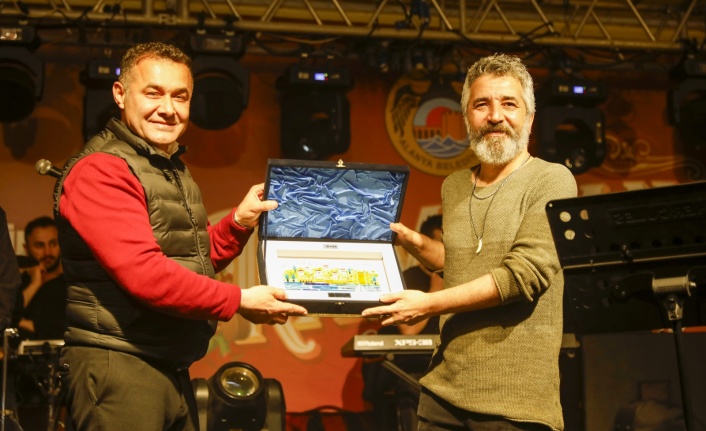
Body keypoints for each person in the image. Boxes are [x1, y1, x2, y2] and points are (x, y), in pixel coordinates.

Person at [53, 42, 307, 431]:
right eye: (153, 93)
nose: (168, 108)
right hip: (119, 366)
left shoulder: (165, 165)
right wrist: (239, 300)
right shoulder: (103, 170)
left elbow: (187, 260)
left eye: (180, 96)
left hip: (166, 365)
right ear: (120, 94)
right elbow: (146, 275)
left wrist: (238, 222)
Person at [362, 53, 578, 431]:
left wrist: (428, 304)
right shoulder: (455, 185)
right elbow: (462, 265)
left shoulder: (552, 180)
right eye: (482, 105)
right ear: (467, 118)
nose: (495, 116)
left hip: (515, 403)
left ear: (529, 117)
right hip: (442, 394)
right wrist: (414, 243)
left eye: (509, 104)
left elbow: (522, 277)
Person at [363, 214, 443, 431]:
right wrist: (435, 290)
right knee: (414, 385)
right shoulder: (409, 277)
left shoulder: (459, 280)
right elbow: (409, 331)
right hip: (411, 367)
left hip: (447, 364)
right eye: (439, 243)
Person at [17, 216, 67, 340]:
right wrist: (34, 284)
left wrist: (26, 324)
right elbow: (5, 317)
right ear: (26, 249)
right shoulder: (16, 281)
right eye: (39, 245)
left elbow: (66, 330)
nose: (47, 252)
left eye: (53, 244)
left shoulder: (72, 285)